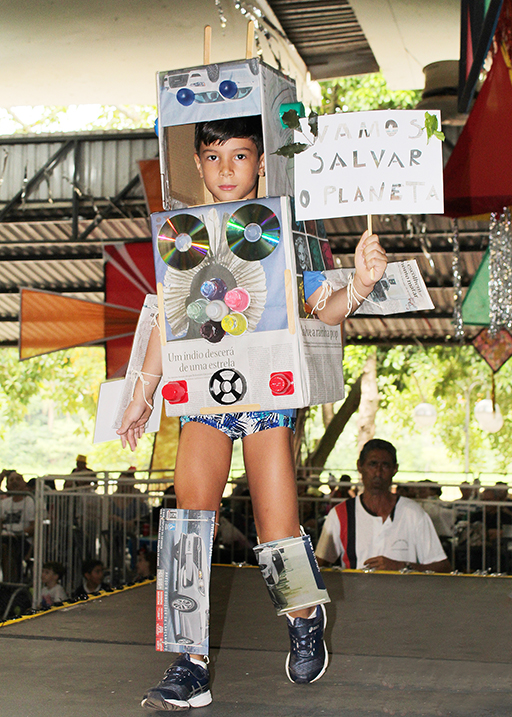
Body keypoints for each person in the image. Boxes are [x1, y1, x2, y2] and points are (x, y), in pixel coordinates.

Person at [117, 116, 387, 710]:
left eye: (239, 157)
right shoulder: (183, 233)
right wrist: (141, 392)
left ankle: (302, 613)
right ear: (199, 164)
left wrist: (361, 285)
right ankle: (189, 665)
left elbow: (325, 309)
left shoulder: (291, 230)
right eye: (213, 158)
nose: (226, 171)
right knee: (188, 523)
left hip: (267, 399)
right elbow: (169, 317)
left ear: (261, 162)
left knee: (277, 531)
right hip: (204, 402)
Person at [316, 439, 451, 573]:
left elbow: (442, 568)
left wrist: (403, 567)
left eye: (385, 465)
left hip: (403, 594)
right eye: (372, 465)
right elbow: (319, 566)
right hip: (357, 594)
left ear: (395, 469)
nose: (378, 473)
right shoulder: (341, 514)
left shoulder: (413, 513)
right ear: (360, 466)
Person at [0, 471, 35, 582]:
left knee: (7, 547)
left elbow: (33, 527)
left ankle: (9, 582)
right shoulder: (4, 503)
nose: (15, 482)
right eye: (11, 480)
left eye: (18, 479)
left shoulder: (30, 501)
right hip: (5, 538)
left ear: (24, 483)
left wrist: (18, 533)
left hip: (22, 540)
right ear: (7, 486)